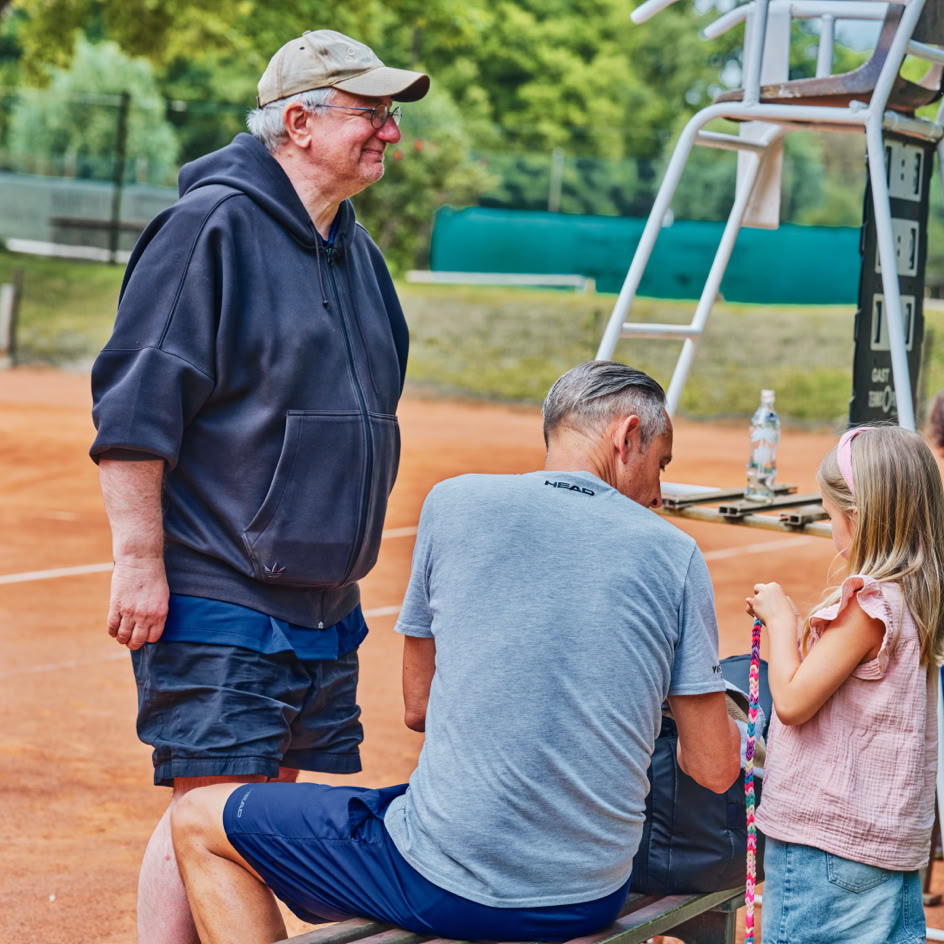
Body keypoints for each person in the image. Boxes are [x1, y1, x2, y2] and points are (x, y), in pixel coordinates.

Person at [170, 360, 742, 944]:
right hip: (589, 895)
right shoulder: (676, 554)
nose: (658, 492)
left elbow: (417, 707)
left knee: (196, 818)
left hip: (444, 884)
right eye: (661, 465)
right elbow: (715, 770)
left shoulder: (453, 504)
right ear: (627, 438)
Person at [88, 29, 429, 944]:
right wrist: (139, 561)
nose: (388, 133)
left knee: (237, 819)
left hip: (319, 597)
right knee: (219, 811)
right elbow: (133, 411)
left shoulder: (352, 251)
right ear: (298, 122)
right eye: (371, 114)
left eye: (389, 115)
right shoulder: (212, 227)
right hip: (218, 583)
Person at [747, 425, 944, 944]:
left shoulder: (866, 605)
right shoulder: (915, 600)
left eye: (830, 515)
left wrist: (780, 624)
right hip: (888, 849)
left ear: (855, 518)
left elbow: (790, 701)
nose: (831, 527)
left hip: (827, 847)